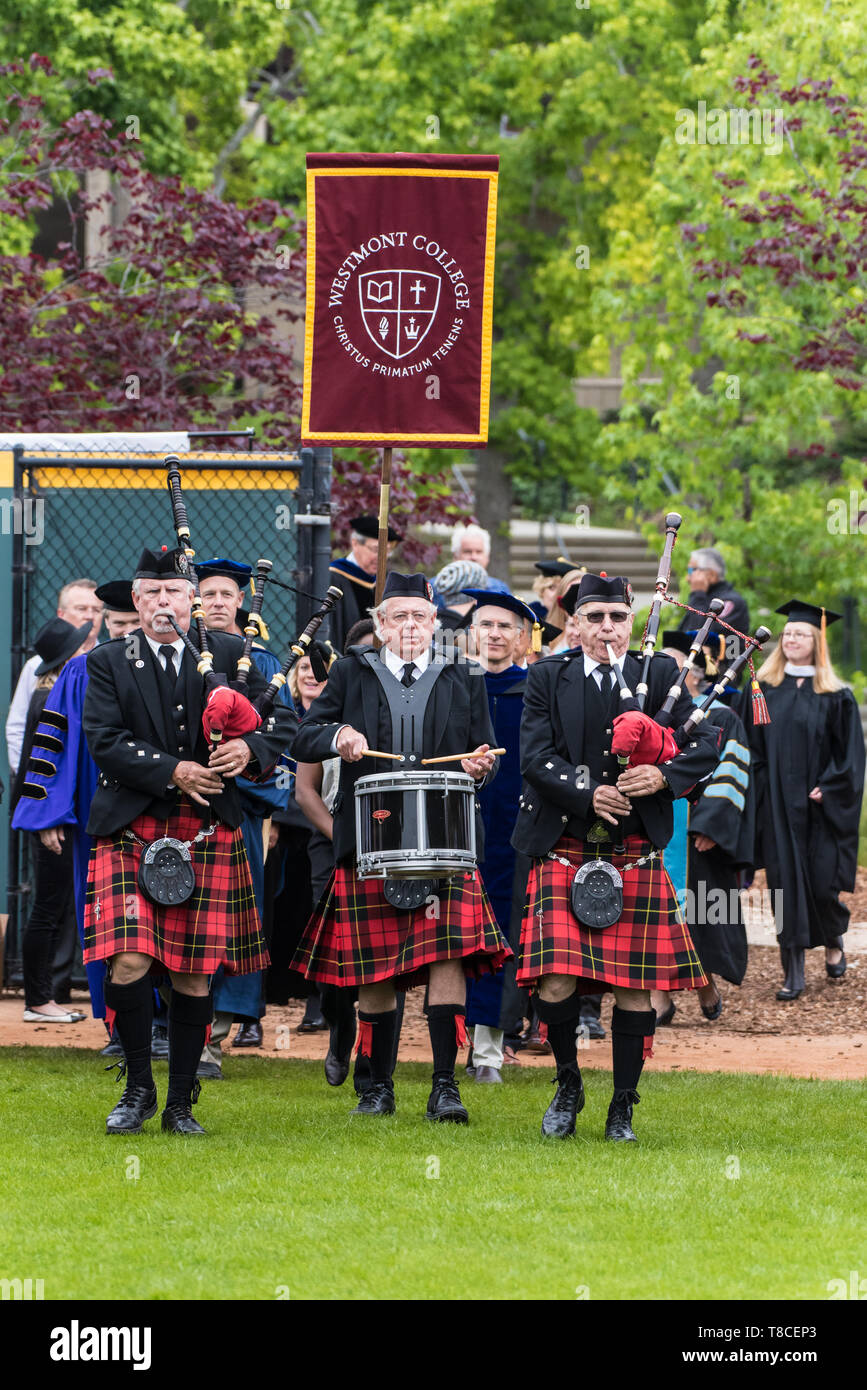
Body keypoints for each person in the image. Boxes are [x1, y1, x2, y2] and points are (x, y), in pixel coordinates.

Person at [81, 546, 296, 1136]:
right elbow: (103, 738)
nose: (160, 604)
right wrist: (172, 770)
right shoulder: (109, 661)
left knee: (193, 973)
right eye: (149, 593)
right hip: (132, 824)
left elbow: (285, 725)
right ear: (137, 600)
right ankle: (137, 1089)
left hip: (207, 831)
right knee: (128, 962)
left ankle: (180, 1101)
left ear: (191, 599)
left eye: (172, 593)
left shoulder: (232, 653)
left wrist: (250, 751)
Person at [289, 571, 510, 1123]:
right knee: (375, 969)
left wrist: (480, 766)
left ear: (435, 623)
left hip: (446, 840)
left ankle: (443, 1087)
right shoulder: (349, 673)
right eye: (398, 617)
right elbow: (303, 737)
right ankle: (377, 1086)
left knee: (447, 958)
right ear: (381, 625)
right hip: (370, 839)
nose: (410, 625)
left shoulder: (462, 676)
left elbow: (480, 755)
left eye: (420, 616)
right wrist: (337, 736)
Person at [512, 573, 720, 1142]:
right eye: (595, 617)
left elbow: (708, 740)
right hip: (565, 846)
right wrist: (586, 793)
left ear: (631, 622)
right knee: (555, 980)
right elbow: (534, 756)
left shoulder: (659, 676)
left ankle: (622, 1104)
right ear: (575, 623)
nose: (608, 628)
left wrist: (666, 775)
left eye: (618, 617)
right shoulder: (546, 678)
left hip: (632, 852)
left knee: (633, 985)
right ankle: (568, 1083)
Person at [12, 582, 142, 1037]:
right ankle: (115, 1021)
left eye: (132, 622)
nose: (124, 630)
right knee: (100, 914)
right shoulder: (80, 671)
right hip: (93, 809)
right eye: (117, 622)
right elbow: (50, 746)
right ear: (105, 622)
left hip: (152, 808)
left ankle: (163, 1022)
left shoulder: (171, 668)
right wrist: (47, 813)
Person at [740, 600, 865, 1002]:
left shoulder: (835, 695)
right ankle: (792, 970)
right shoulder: (762, 689)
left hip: (819, 808)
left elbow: (851, 755)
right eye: (788, 633)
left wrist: (830, 786)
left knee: (822, 884)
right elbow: (748, 744)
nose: (792, 639)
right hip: (776, 804)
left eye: (801, 634)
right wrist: (758, 786)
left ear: (816, 642)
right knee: (783, 886)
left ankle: (832, 938)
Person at [195, 557, 292, 1066]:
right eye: (207, 593)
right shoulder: (184, 654)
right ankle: (176, 1023)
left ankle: (222, 1024)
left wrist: (251, 760)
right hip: (184, 804)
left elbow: (284, 736)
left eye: (225, 594)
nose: (215, 602)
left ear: (240, 601)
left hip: (243, 811)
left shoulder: (268, 664)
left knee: (237, 916)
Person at [652, 633, 753, 1024]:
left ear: (694, 675)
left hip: (697, 836)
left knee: (700, 917)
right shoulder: (651, 718)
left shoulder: (722, 717)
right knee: (655, 915)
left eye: (678, 670)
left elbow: (732, 773)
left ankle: (704, 982)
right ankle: (660, 997)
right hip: (656, 830)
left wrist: (711, 824)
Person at [461, 591, 536, 1082]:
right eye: (484, 624)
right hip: (452, 827)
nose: (493, 633)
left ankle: (488, 1047)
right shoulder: (450, 684)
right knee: (447, 933)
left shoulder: (535, 691)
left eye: (504, 626)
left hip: (511, 831)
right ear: (470, 633)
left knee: (500, 934)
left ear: (523, 637)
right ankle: (448, 1042)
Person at [10, 618, 93, 1022]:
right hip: (50, 817)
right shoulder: (50, 699)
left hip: (54, 814)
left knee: (53, 906)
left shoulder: (56, 692)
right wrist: (47, 817)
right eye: (79, 647)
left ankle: (42, 998)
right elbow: (39, 765)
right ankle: (38, 1000)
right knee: (47, 908)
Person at [6, 578, 104, 775]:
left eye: (96, 610)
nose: (90, 616)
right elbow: (18, 727)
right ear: (61, 614)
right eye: (81, 608)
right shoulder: (36, 667)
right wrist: (29, 777)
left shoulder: (110, 661)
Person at [328, 514, 401, 651]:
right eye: (376, 550)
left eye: (387, 551)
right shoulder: (335, 577)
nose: (381, 557)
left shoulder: (386, 580)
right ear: (355, 543)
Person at [678, 548, 750, 666]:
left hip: (717, 677)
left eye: (691, 570)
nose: (688, 577)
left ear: (711, 574)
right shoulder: (704, 597)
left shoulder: (731, 602)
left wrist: (697, 595)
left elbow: (699, 637)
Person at [450, 524, 511, 594]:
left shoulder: (500, 589)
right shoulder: (437, 588)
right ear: (455, 557)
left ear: (487, 557)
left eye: (479, 552)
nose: (474, 557)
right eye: (467, 551)